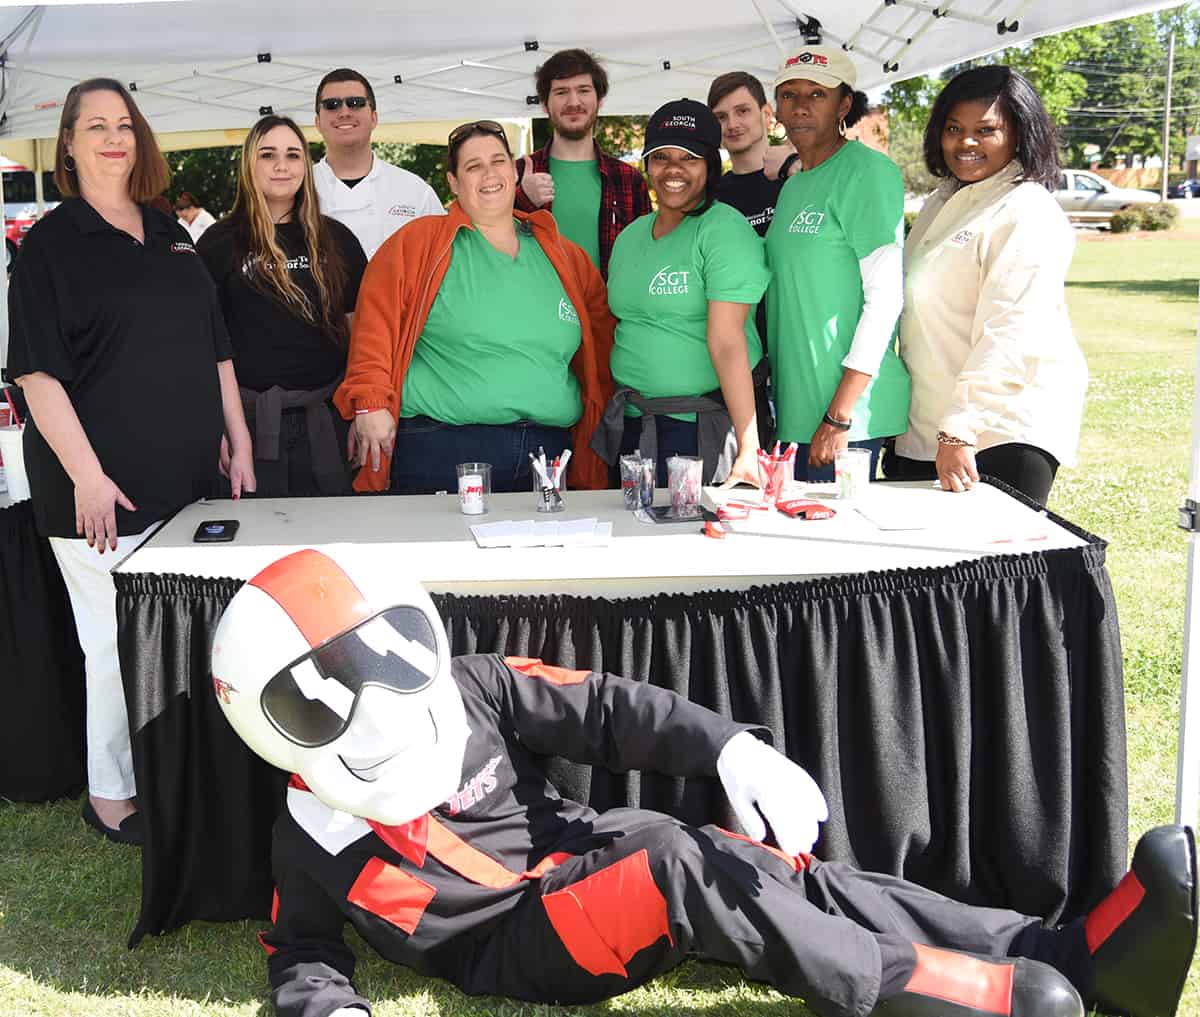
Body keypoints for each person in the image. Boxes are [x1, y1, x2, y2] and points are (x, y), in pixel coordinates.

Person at [212, 547, 1198, 1017]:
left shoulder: (474, 686)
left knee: (767, 866)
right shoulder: (314, 829)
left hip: (592, 855)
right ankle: (915, 995)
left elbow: (606, 706)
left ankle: (1064, 952)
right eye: (322, 697)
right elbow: (297, 945)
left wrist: (729, 745)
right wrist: (325, 1010)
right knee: (681, 863)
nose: (373, 706)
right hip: (522, 945)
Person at [2, 78, 254, 845]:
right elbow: (37, 375)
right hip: (97, 485)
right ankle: (111, 794)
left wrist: (236, 437)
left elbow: (214, 347)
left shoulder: (170, 232)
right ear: (68, 146)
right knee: (112, 641)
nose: (114, 137)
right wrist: (87, 476)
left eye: (124, 125)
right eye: (95, 126)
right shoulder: (48, 244)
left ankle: (171, 775)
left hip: (189, 478)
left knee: (178, 634)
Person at [333, 120, 614, 494]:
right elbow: (375, 325)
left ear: (514, 172)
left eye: (498, 161)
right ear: (452, 182)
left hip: (547, 454)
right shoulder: (418, 243)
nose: (489, 174)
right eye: (473, 166)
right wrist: (369, 403)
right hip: (443, 450)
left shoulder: (566, 255)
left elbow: (603, 342)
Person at [884, 67, 1087, 506]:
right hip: (927, 428)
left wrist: (960, 428)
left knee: (992, 575)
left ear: (1019, 134)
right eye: (954, 128)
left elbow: (1011, 332)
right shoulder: (942, 201)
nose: (966, 142)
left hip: (994, 435)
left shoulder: (1026, 212)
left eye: (986, 130)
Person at [593, 100, 769, 487]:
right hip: (634, 425)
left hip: (700, 430)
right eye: (661, 157)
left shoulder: (724, 230)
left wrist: (748, 446)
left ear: (709, 164)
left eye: (688, 158)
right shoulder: (630, 236)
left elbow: (728, 341)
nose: (673, 170)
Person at [198, 116, 368, 497]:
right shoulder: (218, 243)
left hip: (326, 419)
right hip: (248, 426)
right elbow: (201, 346)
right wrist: (217, 430)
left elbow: (362, 335)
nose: (281, 166)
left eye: (293, 155)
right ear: (249, 165)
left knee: (328, 544)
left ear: (305, 167)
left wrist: (362, 411)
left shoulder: (337, 240)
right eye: (268, 155)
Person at [765, 45, 911, 483]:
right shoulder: (794, 186)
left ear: (844, 104)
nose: (801, 107)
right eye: (789, 95)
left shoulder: (868, 172)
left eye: (817, 94)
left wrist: (840, 413)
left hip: (847, 419)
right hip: (797, 411)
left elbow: (885, 298)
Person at [514, 48, 651, 279]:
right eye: (561, 92)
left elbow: (648, 255)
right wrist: (522, 200)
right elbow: (487, 245)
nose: (573, 102)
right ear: (545, 105)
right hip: (538, 310)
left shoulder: (628, 179)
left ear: (600, 101)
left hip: (608, 311)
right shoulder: (516, 173)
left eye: (583, 90)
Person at [312, 68, 445, 260]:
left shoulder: (416, 192)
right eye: (332, 105)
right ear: (317, 122)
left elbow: (442, 261)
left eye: (355, 103)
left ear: (374, 118)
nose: (344, 112)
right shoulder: (298, 189)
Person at [708, 71, 795, 237]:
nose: (732, 124)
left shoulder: (796, 175)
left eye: (742, 111)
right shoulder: (712, 198)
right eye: (721, 117)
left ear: (767, 114)